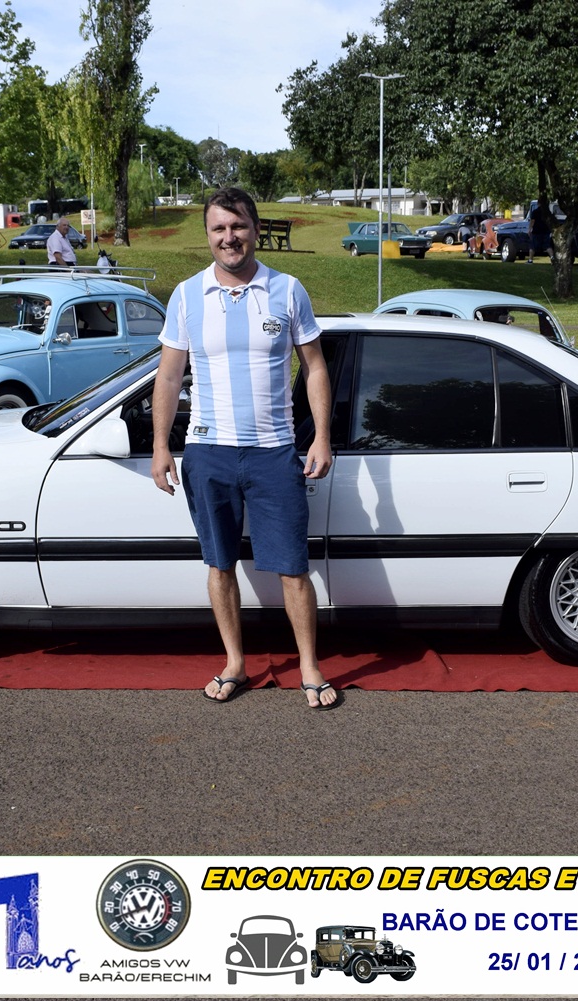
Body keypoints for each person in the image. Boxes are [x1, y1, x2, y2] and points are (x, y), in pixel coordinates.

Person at [150, 187, 337, 710]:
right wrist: (161, 445)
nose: (229, 237)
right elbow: (169, 377)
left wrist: (321, 436)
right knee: (220, 564)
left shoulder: (288, 290)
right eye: (219, 228)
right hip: (208, 451)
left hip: (274, 452)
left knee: (293, 567)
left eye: (238, 226)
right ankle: (235, 662)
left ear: (255, 230)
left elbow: (315, 367)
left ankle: (309, 667)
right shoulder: (187, 295)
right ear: (207, 235)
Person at [527, 199, 551, 264]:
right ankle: (552, 258)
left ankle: (530, 260)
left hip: (536, 231)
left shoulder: (535, 212)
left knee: (532, 246)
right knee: (547, 246)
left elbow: (532, 221)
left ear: (538, 203)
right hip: (546, 231)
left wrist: (529, 229)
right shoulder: (547, 212)